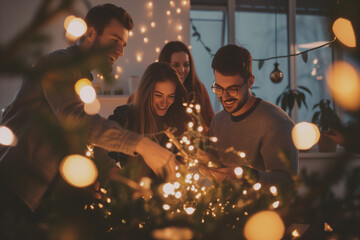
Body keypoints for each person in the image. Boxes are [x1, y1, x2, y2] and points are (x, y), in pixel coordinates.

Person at [0, 3, 175, 221]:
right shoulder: (59, 63)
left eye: (123, 45)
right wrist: (142, 144)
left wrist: (120, 179)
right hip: (16, 190)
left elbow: (84, 139)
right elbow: (76, 121)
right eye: (114, 41)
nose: (120, 51)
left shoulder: (82, 82)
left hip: (45, 201)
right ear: (91, 33)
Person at [207, 44, 298, 190]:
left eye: (232, 89)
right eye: (218, 88)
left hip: (267, 212)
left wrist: (247, 176)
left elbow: (288, 184)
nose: (224, 96)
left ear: (250, 82)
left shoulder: (276, 123)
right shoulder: (218, 122)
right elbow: (211, 170)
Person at [108, 62, 187, 179]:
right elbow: (105, 149)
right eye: (158, 95)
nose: (164, 103)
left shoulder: (173, 122)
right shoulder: (125, 115)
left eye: (170, 96)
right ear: (147, 92)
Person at [128, 41, 214, 133]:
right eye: (176, 65)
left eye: (186, 65)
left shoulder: (198, 89)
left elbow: (211, 123)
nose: (182, 70)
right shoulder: (140, 98)